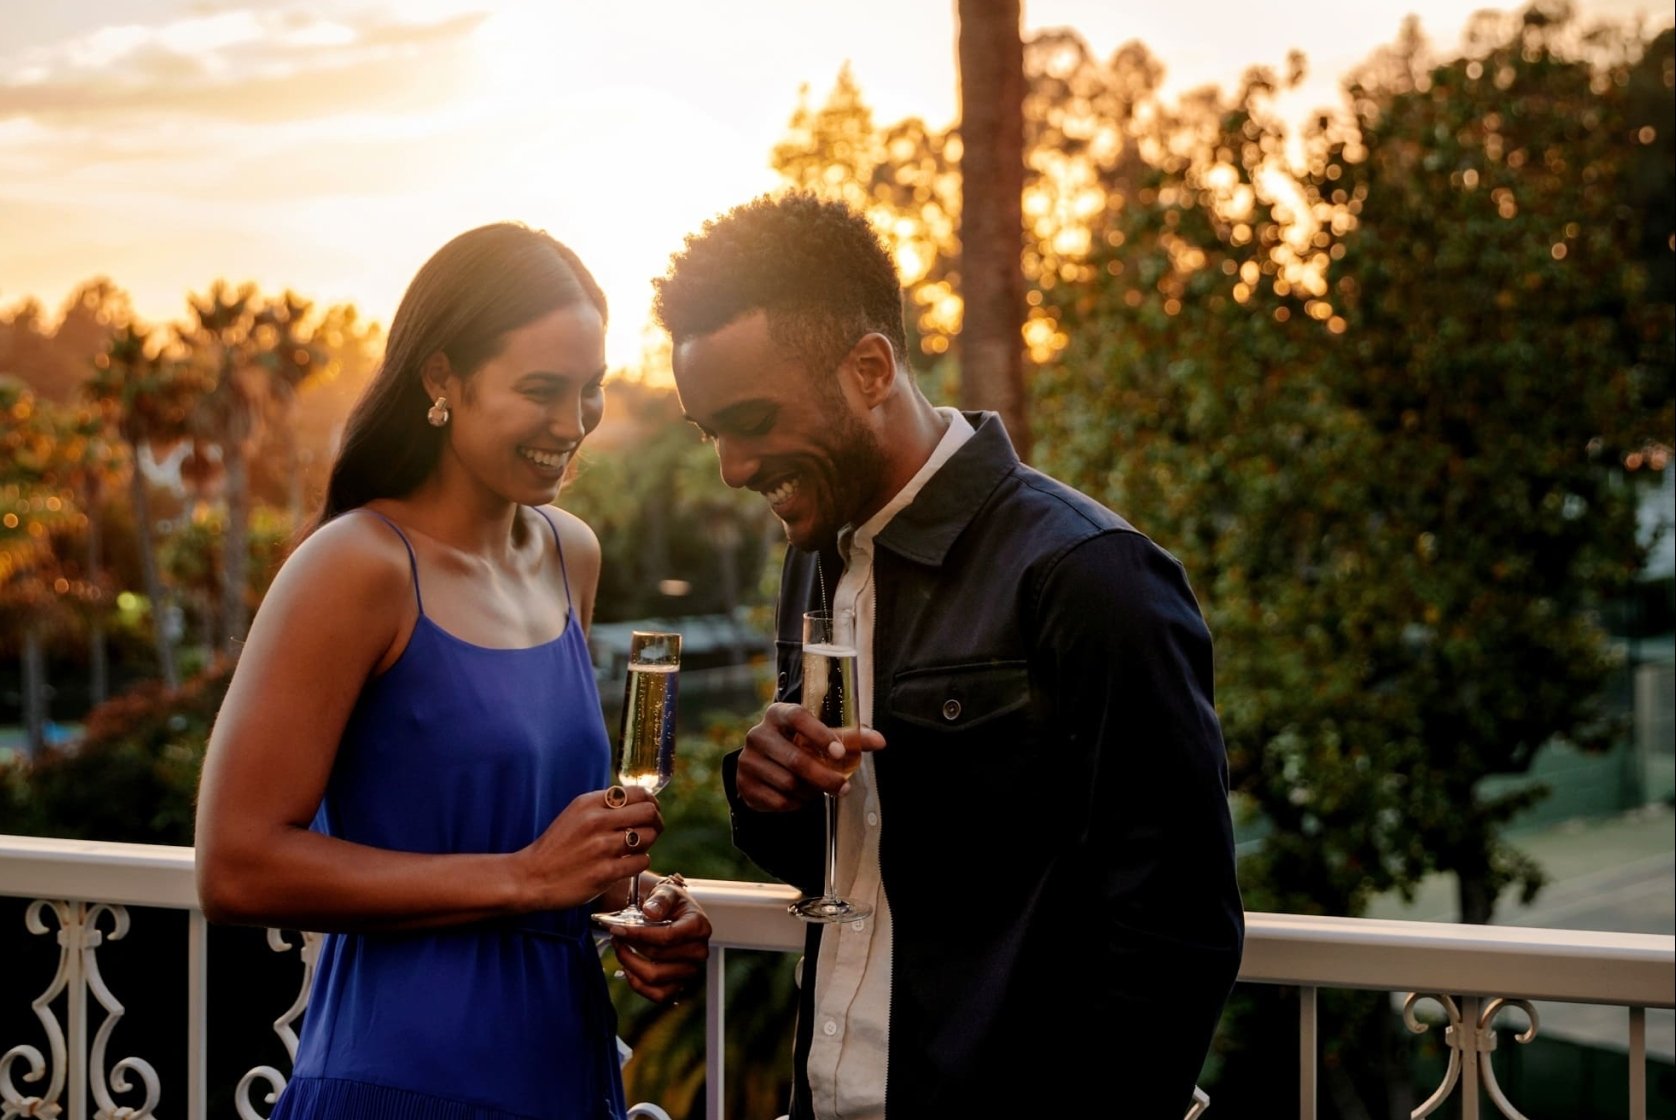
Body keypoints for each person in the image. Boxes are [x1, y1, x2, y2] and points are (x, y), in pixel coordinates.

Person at [653, 193, 1244, 1119]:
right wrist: (768, 790)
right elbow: (854, 866)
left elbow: (1177, 924)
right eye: (710, 430)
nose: (731, 464)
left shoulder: (1087, 574)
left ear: (871, 367)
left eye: (752, 418)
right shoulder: (813, 562)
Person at [195, 222, 711, 1120]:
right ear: (442, 379)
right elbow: (236, 868)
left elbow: (538, 831)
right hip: (403, 1079)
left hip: (562, 1072)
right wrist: (523, 878)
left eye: (588, 390)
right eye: (540, 390)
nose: (572, 424)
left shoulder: (568, 555)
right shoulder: (355, 565)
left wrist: (642, 902)